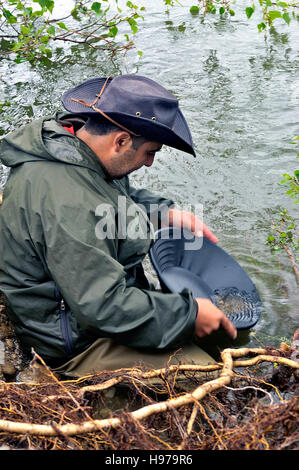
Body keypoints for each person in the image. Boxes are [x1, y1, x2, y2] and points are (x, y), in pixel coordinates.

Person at [0, 74, 236, 378]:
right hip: (72, 339)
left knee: (198, 325)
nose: (149, 162)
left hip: (86, 305)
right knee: (211, 373)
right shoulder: (68, 203)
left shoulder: (75, 144)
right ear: (121, 140)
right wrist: (190, 315)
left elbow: (111, 193)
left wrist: (164, 213)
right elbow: (102, 307)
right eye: (149, 152)